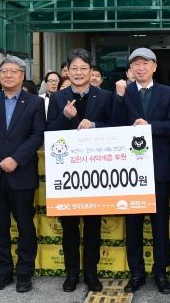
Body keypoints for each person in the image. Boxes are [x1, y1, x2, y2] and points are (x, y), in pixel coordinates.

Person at [112, 47, 170, 294]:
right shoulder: (124, 91)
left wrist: (149, 125)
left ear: (154, 66)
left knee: (160, 223)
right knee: (133, 225)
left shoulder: (168, 92)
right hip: (130, 170)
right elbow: (114, 125)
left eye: (145, 63)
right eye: (136, 64)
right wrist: (119, 98)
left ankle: (161, 272)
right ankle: (136, 273)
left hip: (158, 167)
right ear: (130, 68)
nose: (140, 68)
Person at [0, 55, 45, 294]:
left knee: (25, 225)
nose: (8, 75)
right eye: (4, 71)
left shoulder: (35, 102)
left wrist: (16, 159)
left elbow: (38, 135)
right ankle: (3, 272)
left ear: (22, 75)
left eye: (13, 71)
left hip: (21, 172)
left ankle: (24, 273)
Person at [46, 49, 113, 293]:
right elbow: (49, 133)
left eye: (83, 68)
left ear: (90, 71)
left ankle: (91, 274)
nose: (78, 72)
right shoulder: (57, 98)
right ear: (67, 70)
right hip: (67, 174)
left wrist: (94, 125)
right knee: (70, 228)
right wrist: (65, 117)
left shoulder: (104, 96)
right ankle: (71, 274)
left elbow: (115, 127)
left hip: (94, 172)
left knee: (94, 227)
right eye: (73, 68)